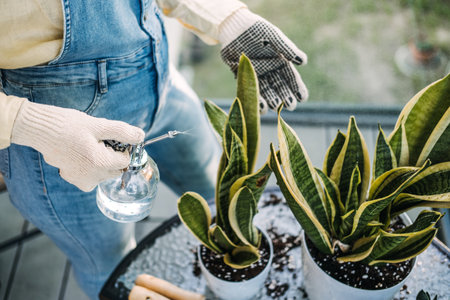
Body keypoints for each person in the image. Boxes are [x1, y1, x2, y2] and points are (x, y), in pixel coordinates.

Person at [0, 0, 308, 298]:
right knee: (112, 268)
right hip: (65, 132)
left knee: (220, 193)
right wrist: (27, 123)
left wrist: (227, 18)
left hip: (162, 86)